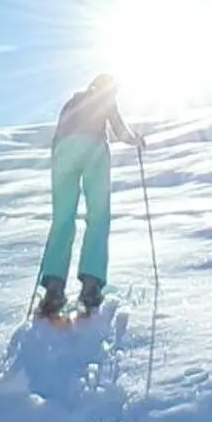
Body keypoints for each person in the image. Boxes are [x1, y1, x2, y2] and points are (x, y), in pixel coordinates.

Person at [36, 73, 144, 318]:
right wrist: (135, 140)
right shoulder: (104, 98)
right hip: (93, 145)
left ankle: (54, 286)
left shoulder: (73, 102)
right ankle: (91, 285)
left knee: (62, 218)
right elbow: (119, 129)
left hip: (62, 150)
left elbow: (58, 134)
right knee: (98, 215)